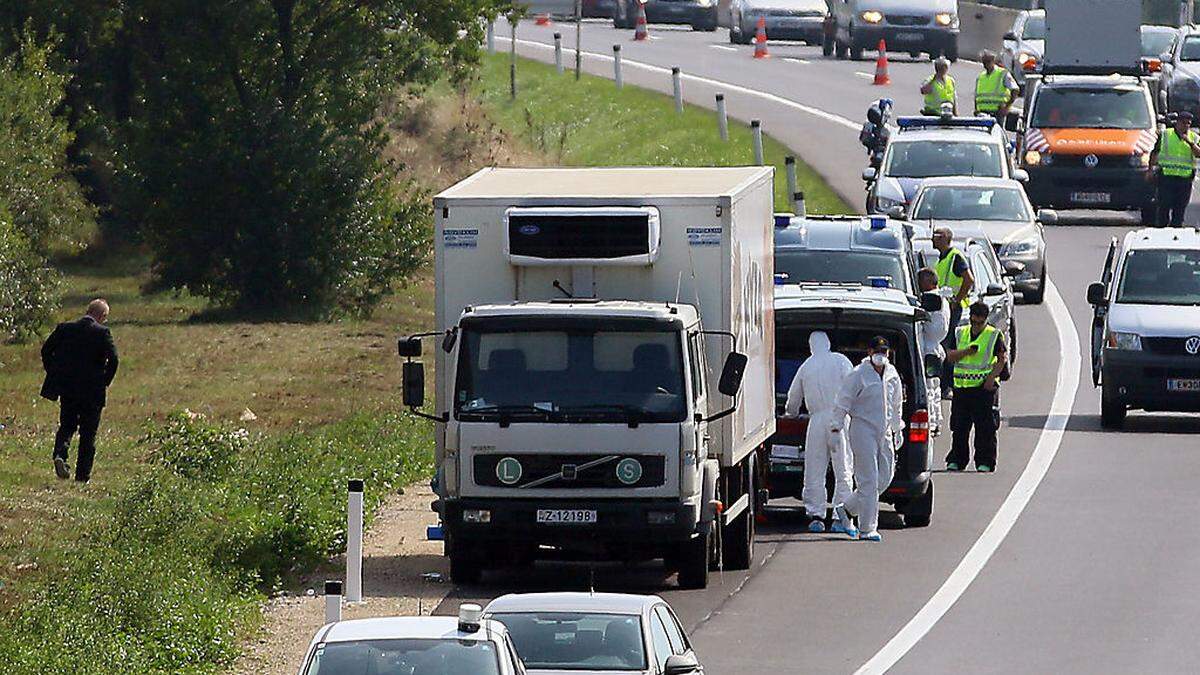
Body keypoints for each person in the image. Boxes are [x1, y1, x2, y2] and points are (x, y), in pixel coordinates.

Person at [831, 336, 905, 542]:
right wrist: (836, 427)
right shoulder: (858, 374)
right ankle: (867, 528)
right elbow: (843, 401)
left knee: (885, 477)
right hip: (862, 428)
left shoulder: (892, 374)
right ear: (869, 352)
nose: (881, 356)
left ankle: (846, 509)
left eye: (884, 351)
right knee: (868, 480)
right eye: (877, 351)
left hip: (885, 431)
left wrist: (898, 428)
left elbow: (896, 403)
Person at [40, 299, 119, 483]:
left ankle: (60, 454)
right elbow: (114, 360)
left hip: (68, 388)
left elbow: (46, 351)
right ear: (103, 316)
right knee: (88, 433)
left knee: (67, 425)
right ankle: (82, 477)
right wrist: (104, 381)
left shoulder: (65, 329)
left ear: (88, 310)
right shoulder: (103, 332)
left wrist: (54, 372)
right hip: (92, 391)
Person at [784, 331, 854, 533]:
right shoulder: (841, 361)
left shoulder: (806, 366)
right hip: (839, 419)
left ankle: (816, 515)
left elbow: (793, 399)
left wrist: (790, 413)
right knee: (843, 468)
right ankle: (841, 516)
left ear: (811, 345)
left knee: (814, 469)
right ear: (828, 343)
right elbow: (853, 388)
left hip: (816, 421)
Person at [943, 302, 1007, 473]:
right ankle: (957, 459)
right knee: (959, 427)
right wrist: (966, 352)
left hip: (983, 389)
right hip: (962, 388)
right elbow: (949, 356)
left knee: (985, 428)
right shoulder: (960, 333)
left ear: (986, 320)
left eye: (980, 322)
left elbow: (1002, 360)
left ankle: (985, 461)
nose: (977, 326)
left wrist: (991, 379)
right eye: (974, 321)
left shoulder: (993, 335)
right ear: (970, 318)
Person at [932, 226, 974, 396]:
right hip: (943, 307)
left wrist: (957, 300)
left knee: (947, 345)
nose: (933, 239)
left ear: (945, 239)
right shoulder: (941, 259)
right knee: (943, 344)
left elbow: (968, 279)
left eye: (937, 236)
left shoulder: (955, 257)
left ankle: (947, 385)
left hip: (953, 309)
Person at [1151, 111, 1200, 227]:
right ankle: (1161, 234)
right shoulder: (1166, 135)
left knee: (1180, 210)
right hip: (1166, 178)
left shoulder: (1194, 138)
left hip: (1185, 179)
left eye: (1188, 124)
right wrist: (1150, 170)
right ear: (1177, 123)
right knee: (1164, 207)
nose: (1186, 126)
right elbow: (1155, 153)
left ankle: (1175, 235)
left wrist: (1190, 142)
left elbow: (1198, 154)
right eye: (1183, 123)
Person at [917, 269, 950, 434]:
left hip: (930, 350)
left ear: (929, 282)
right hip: (934, 349)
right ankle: (936, 420)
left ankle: (932, 422)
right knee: (933, 388)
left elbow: (935, 329)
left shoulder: (934, 301)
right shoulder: (941, 300)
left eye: (921, 281)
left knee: (930, 388)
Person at [974, 50, 1018, 120]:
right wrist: (976, 109)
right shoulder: (980, 77)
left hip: (997, 113)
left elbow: (1015, 90)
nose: (986, 64)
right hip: (982, 113)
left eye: (988, 61)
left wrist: (1007, 107)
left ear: (993, 61)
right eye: (984, 62)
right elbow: (977, 96)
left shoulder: (1002, 73)